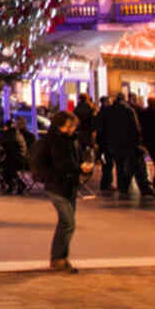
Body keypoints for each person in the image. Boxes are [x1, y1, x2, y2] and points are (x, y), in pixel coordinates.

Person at [33, 110, 94, 273]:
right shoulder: (53, 141)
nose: (71, 129)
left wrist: (84, 168)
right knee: (68, 222)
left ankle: (58, 258)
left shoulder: (72, 140)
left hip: (70, 185)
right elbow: (60, 164)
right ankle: (59, 258)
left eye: (73, 126)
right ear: (59, 125)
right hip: (56, 185)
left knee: (65, 222)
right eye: (68, 126)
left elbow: (76, 159)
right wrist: (78, 168)